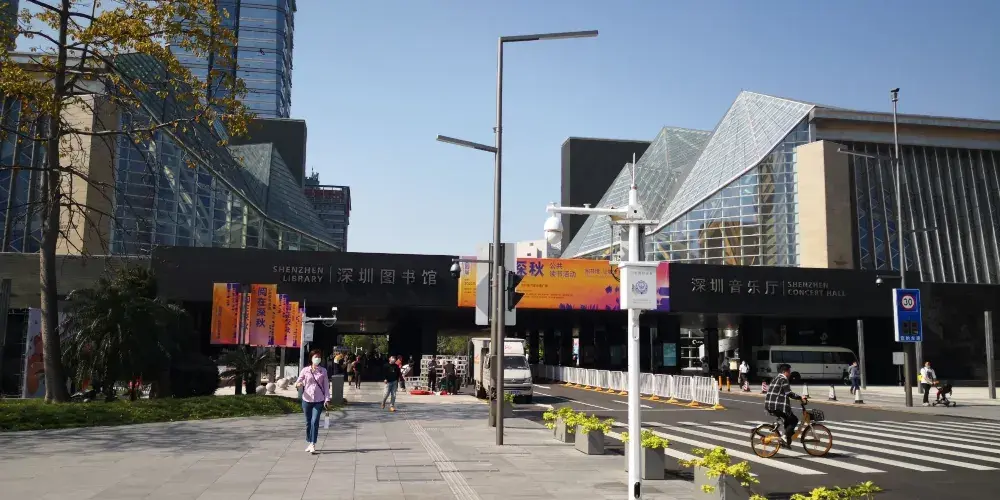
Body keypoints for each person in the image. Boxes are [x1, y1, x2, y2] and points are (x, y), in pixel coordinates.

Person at [295, 349, 330, 454]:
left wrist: (327, 399)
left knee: (315, 421)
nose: (317, 358)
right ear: (311, 358)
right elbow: (298, 381)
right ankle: (309, 440)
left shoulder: (323, 371)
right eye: (315, 357)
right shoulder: (305, 370)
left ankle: (313, 443)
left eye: (319, 357)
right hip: (307, 399)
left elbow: (326, 386)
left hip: (319, 400)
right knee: (308, 422)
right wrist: (298, 384)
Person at [764, 363, 807, 446]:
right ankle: (784, 437)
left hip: (769, 405)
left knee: (788, 419)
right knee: (794, 420)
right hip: (777, 406)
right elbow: (788, 393)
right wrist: (800, 397)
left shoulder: (775, 378)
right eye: (789, 371)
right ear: (784, 372)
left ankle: (787, 438)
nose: (790, 373)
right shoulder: (784, 379)